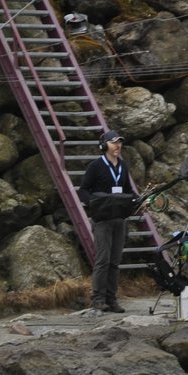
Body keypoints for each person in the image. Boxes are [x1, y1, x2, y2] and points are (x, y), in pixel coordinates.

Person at [77, 129, 138, 313]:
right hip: (102, 220)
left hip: (119, 219)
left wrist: (138, 200)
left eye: (119, 142)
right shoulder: (95, 166)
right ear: (104, 145)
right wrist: (95, 204)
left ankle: (111, 299)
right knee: (102, 260)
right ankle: (98, 299)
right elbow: (83, 190)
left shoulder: (123, 166)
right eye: (113, 142)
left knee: (115, 261)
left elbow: (128, 189)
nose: (117, 145)